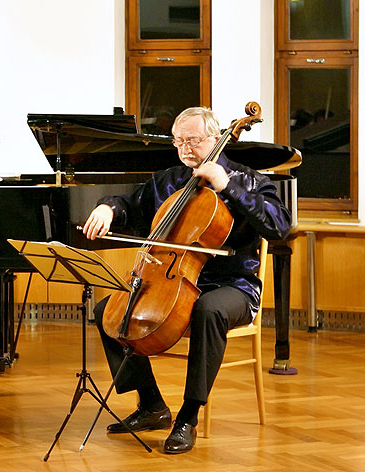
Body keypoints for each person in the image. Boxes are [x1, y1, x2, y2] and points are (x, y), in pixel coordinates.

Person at [82, 106, 291, 454]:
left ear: (215, 138)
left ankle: (188, 417)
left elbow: (280, 226)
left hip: (233, 286)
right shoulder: (170, 180)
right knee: (109, 313)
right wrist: (108, 208)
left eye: (193, 140)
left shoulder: (249, 179)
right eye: (179, 141)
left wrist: (228, 186)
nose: (185, 149)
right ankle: (151, 405)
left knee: (208, 310)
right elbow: (129, 203)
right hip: (173, 280)